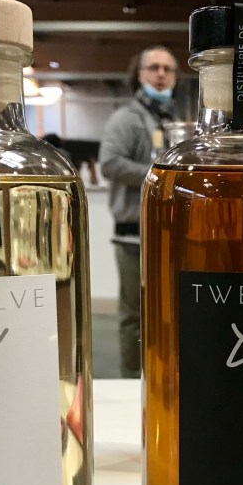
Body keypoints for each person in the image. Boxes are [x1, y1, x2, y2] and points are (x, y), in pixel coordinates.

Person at [99, 45, 178, 377]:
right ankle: (131, 381)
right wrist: (159, 176)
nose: (161, 74)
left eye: (167, 69)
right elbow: (109, 163)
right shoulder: (126, 119)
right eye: (153, 67)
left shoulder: (173, 120)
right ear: (138, 74)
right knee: (135, 314)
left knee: (170, 312)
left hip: (170, 236)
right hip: (133, 235)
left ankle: (165, 378)